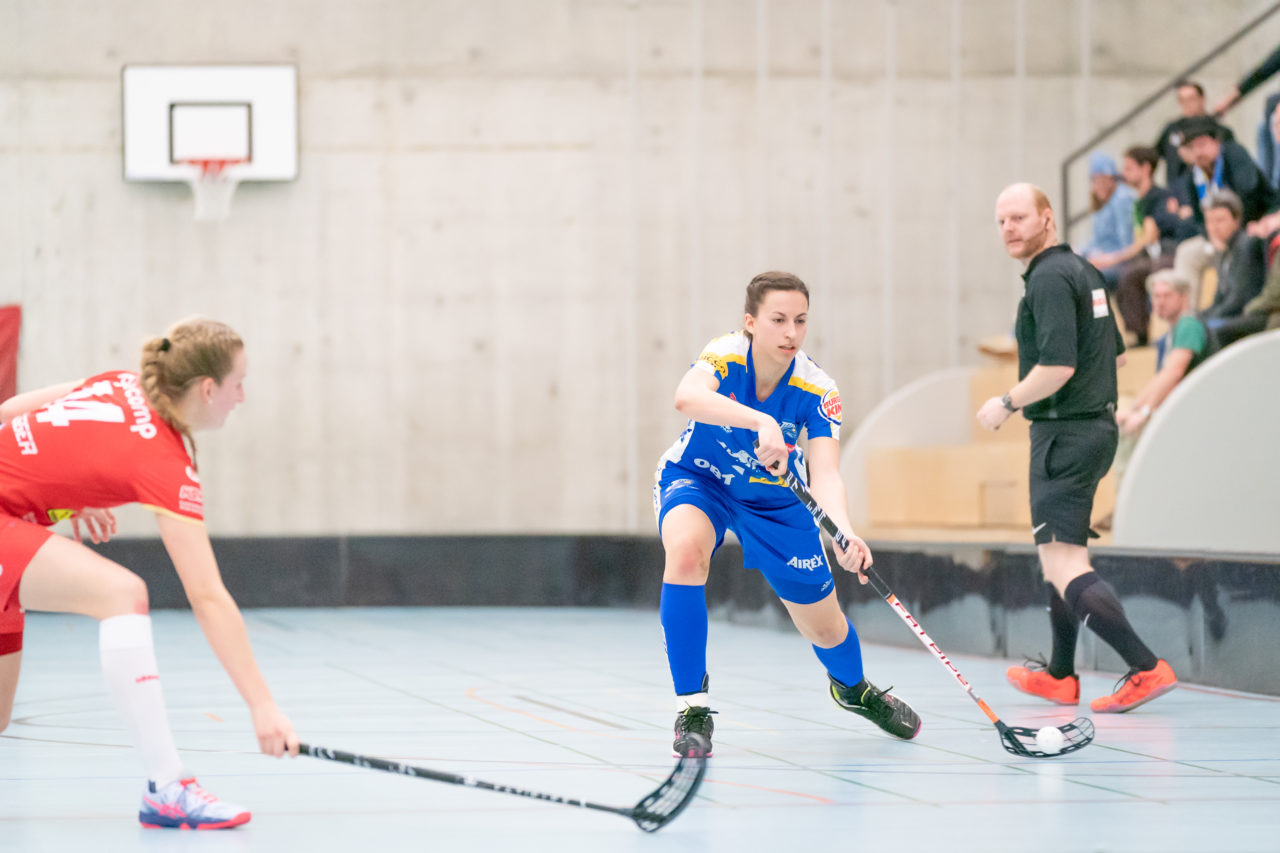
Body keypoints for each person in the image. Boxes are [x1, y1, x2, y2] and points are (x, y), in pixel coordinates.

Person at [0, 317, 297, 829]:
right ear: (208, 388)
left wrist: (64, 492)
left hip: (14, 525)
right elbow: (207, 596)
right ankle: (168, 785)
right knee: (122, 593)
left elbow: (10, 412)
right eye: (238, 385)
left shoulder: (121, 382)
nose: (242, 397)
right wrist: (263, 705)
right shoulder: (165, 464)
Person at [654, 271, 920, 757]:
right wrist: (761, 420)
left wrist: (843, 532)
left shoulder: (818, 390)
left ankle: (853, 690)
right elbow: (686, 397)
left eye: (800, 321)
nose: (791, 333)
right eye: (778, 320)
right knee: (687, 554)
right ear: (751, 323)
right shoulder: (725, 354)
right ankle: (692, 709)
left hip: (777, 502)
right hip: (701, 478)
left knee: (825, 625)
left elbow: (826, 475)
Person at [979, 184, 1177, 713]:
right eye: (1001, 220)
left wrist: (1006, 401)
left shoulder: (1046, 278)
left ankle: (1145, 666)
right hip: (1092, 430)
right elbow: (1114, 358)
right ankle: (1061, 675)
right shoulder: (1085, 271)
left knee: (1064, 562)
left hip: (1064, 435)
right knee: (1061, 558)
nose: (1009, 228)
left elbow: (1059, 366)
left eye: (1019, 217)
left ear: (1047, 218)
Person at [1115, 270, 1215, 438]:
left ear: (1183, 297)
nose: (1160, 302)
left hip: (1201, 411)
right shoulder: (1172, 330)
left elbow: (1173, 373)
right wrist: (1134, 408)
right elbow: (1161, 377)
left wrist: (1144, 413)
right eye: (1156, 296)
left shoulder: (1188, 324)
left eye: (1167, 296)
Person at [1173, 116, 1278, 227]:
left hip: (1261, 218)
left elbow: (1248, 195)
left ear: (1217, 142)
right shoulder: (1193, 176)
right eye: (1191, 148)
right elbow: (1199, 218)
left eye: (1201, 144)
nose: (1198, 153)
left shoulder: (1234, 154)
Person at [1201, 189, 1267, 332]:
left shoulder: (1246, 245)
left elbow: (1239, 298)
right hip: (1233, 314)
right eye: (1209, 221)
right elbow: (1220, 297)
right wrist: (1199, 317)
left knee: (1210, 330)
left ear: (1237, 220)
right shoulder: (1223, 250)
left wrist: (1208, 320)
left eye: (1220, 220)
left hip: (1251, 316)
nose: (1214, 227)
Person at [1156, 80, 1232, 188]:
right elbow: (1155, 154)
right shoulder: (1171, 130)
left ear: (1201, 99)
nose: (1187, 104)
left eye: (1191, 99)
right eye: (1182, 100)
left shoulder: (1218, 130)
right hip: (1177, 191)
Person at [1078, 152, 1137, 288]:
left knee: (1081, 278)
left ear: (1111, 179)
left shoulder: (1123, 199)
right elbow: (1097, 241)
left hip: (1120, 263)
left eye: (1100, 179)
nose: (1096, 185)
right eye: (1093, 180)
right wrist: (1079, 251)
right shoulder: (1104, 203)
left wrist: (1103, 260)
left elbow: (1128, 246)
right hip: (1104, 258)